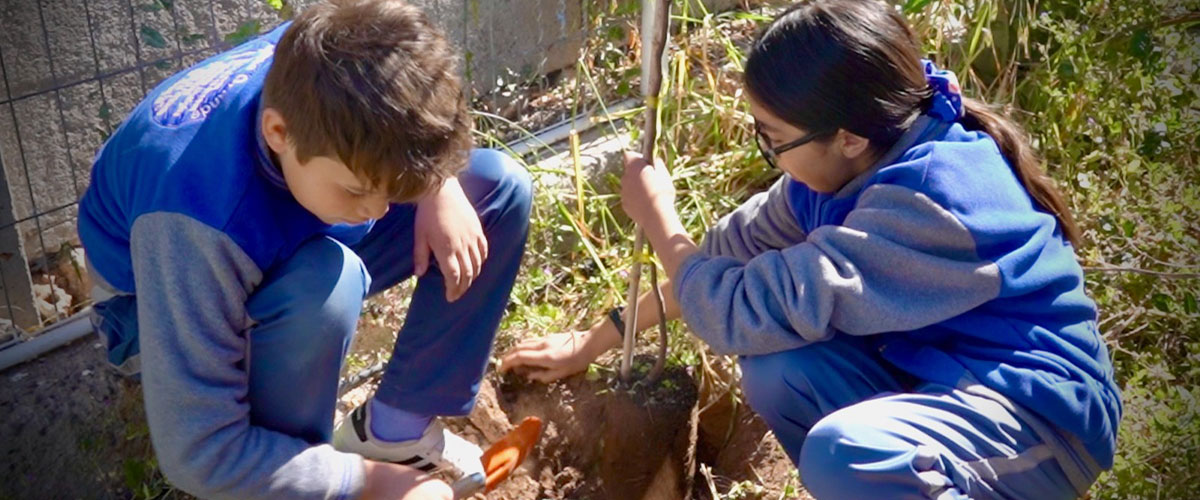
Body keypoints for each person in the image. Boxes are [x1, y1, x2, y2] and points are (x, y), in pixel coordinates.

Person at [500, 1, 1120, 498]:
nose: (769, 156)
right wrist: (598, 338)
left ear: (847, 137)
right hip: (943, 378)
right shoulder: (846, 168)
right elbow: (724, 263)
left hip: (1039, 422)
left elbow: (736, 311)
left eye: (773, 139)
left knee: (845, 451)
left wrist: (659, 219)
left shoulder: (931, 204)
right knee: (777, 369)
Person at [77, 0, 532, 498]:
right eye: (358, 191)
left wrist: (436, 186)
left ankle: (392, 435)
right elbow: (199, 454)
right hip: (164, 308)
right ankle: (296, 471)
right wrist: (367, 485)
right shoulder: (191, 221)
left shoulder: (326, 65)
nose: (380, 211)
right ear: (277, 132)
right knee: (326, 283)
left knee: (493, 187)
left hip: (276, 232)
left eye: (391, 192)